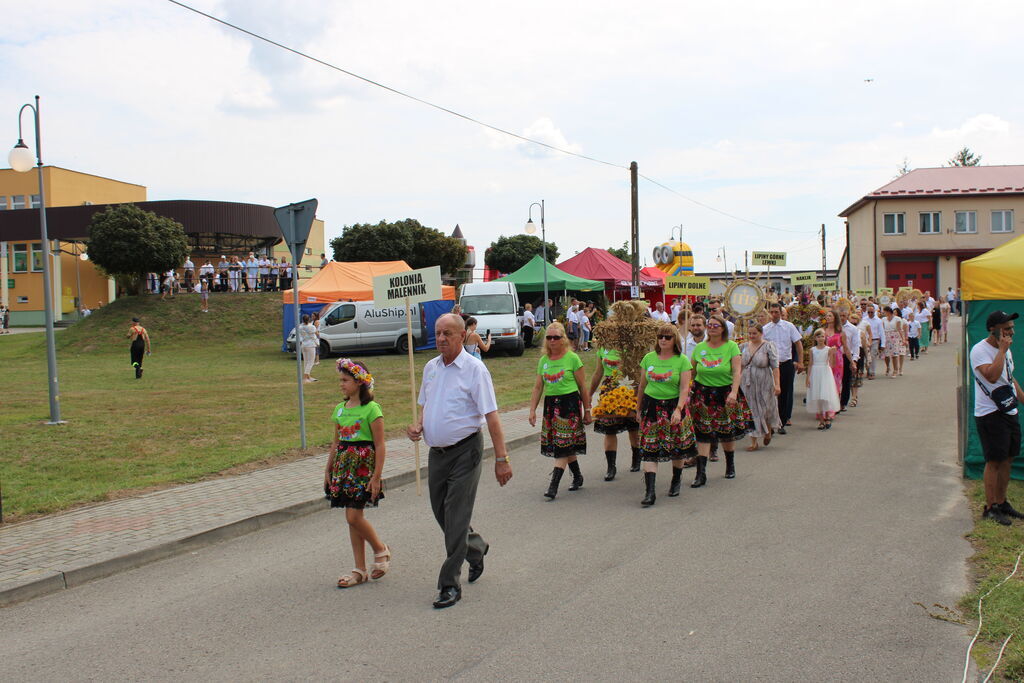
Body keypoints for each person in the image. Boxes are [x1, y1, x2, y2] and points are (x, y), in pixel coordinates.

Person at [407, 313, 513, 609]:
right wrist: (418, 425)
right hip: (437, 454)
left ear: (462, 336)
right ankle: (476, 548)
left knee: (456, 516)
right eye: (438, 333)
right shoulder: (430, 368)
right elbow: (425, 406)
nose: (441, 339)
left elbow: (491, 416)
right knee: (442, 514)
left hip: (466, 451)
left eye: (448, 334)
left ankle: (449, 584)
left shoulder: (474, 369)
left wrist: (501, 458)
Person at [326, 359, 391, 588]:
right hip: (344, 468)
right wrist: (329, 469)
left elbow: (380, 445)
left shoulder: (372, 409)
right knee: (351, 519)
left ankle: (380, 549)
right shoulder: (340, 409)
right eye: (340, 380)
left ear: (359, 382)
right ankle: (359, 569)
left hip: (363, 467)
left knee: (354, 517)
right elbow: (336, 443)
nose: (341, 384)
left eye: (345, 380)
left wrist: (376, 476)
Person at [529, 321, 592, 499]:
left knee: (563, 445)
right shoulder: (544, 361)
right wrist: (532, 410)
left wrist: (587, 410)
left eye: (556, 337)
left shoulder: (572, 358)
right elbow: (537, 388)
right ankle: (578, 476)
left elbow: (583, 387)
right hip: (551, 406)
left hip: (569, 405)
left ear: (563, 338)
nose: (552, 341)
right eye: (549, 337)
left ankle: (553, 485)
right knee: (563, 444)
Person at [635, 323, 696, 506]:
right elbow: (642, 385)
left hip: (673, 406)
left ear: (674, 340)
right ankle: (650, 492)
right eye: (660, 336)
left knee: (676, 447)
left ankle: (676, 480)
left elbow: (684, 387)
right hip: (651, 407)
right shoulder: (648, 358)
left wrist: (678, 409)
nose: (663, 340)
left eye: (667, 337)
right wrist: (638, 409)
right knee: (649, 449)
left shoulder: (682, 360)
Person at [971, 311, 1024, 525]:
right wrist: (1002, 350)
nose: (1011, 332)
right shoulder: (979, 350)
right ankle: (991, 507)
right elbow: (992, 375)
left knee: (1008, 458)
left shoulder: (1006, 350)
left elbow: (1008, 379)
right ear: (993, 330)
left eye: (1011, 327)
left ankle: (1002, 502)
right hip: (989, 414)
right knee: (994, 461)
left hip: (1009, 411)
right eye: (1006, 328)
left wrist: (1021, 398)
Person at [687, 314, 752, 485]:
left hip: (725, 392)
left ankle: (730, 465)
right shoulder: (700, 347)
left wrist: (734, 392)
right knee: (703, 432)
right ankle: (701, 473)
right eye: (710, 325)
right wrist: (686, 389)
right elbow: (691, 371)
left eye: (716, 325)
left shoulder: (731, 347)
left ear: (723, 329)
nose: (712, 328)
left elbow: (737, 371)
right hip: (703, 394)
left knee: (726, 431)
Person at [589, 345, 640, 480]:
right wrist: (589, 394)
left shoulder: (629, 346)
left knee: (633, 426)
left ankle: (636, 457)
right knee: (609, 428)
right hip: (609, 389)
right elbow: (598, 372)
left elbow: (636, 369)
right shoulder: (602, 349)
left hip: (627, 386)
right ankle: (611, 467)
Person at [762, 302, 804, 434]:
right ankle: (773, 420)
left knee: (786, 391)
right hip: (772, 365)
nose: (774, 315)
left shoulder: (789, 326)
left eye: (776, 312)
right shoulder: (765, 328)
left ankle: (783, 420)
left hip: (786, 362)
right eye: (772, 312)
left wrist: (800, 361)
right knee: (772, 392)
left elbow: (798, 344)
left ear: (781, 313)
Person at [740, 323, 781, 451]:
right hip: (748, 382)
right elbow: (740, 366)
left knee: (765, 408)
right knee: (751, 410)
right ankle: (754, 441)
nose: (751, 336)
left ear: (761, 333)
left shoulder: (768, 346)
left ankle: (768, 430)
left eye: (754, 333)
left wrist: (777, 384)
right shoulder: (744, 346)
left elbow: (775, 367)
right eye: (750, 333)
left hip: (764, 381)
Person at [806, 328, 841, 429]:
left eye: (822, 336)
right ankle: (821, 420)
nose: (821, 338)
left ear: (825, 337)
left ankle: (827, 417)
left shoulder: (828, 349)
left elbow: (832, 364)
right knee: (818, 396)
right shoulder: (812, 350)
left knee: (825, 395)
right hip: (815, 372)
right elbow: (810, 364)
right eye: (818, 336)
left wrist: (833, 354)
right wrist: (808, 377)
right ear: (815, 338)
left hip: (825, 372)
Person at [822, 310, 847, 398]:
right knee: (826, 381)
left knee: (836, 381)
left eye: (830, 316)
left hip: (837, 358)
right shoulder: (822, 331)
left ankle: (835, 403)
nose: (827, 317)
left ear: (835, 318)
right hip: (825, 358)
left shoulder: (840, 333)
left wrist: (852, 362)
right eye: (827, 316)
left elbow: (846, 348)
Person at [881, 307, 904, 378]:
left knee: (894, 355)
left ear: (888, 311)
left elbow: (899, 329)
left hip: (894, 336)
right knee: (886, 355)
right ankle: (888, 367)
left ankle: (895, 370)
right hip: (886, 336)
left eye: (884, 312)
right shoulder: (883, 319)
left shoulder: (897, 319)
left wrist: (903, 339)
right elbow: (882, 329)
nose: (883, 313)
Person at [864, 306, 885, 379]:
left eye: (871, 312)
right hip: (866, 341)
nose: (870, 314)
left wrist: (883, 344)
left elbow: (882, 332)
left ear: (874, 312)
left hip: (875, 340)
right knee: (866, 357)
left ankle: (872, 372)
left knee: (872, 356)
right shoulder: (864, 320)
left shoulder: (878, 321)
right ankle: (868, 370)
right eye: (868, 312)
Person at [298, 314, 318, 383]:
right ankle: (305, 378)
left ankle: (308, 376)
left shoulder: (300, 327)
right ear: (309, 319)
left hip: (304, 345)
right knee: (311, 362)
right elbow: (316, 333)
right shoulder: (312, 326)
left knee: (306, 361)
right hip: (311, 345)